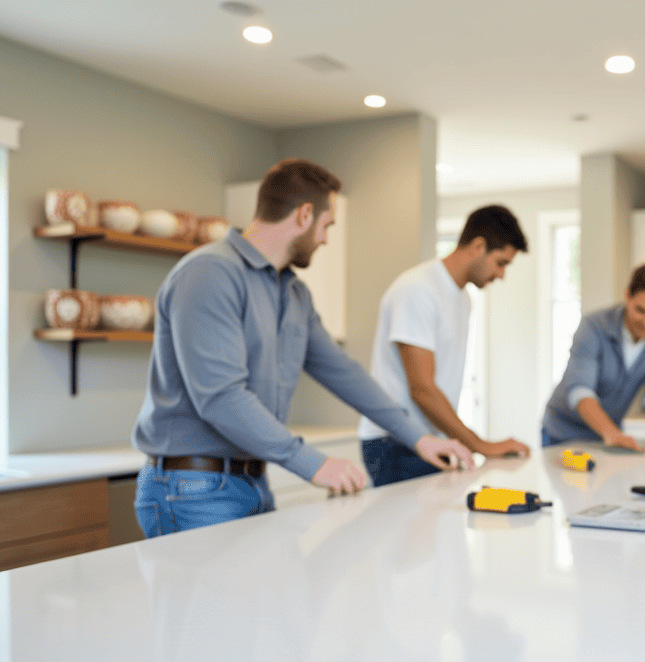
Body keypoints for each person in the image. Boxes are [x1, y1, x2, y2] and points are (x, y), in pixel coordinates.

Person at [132, 158, 473, 537]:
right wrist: (313, 463)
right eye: (327, 226)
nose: (326, 239)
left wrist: (418, 437)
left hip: (252, 482)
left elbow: (341, 372)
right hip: (192, 490)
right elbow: (221, 395)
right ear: (304, 215)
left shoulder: (293, 292)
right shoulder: (210, 274)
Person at [359, 205, 531, 486]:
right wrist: (481, 445)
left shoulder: (462, 299)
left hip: (431, 440)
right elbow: (422, 389)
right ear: (478, 246)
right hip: (395, 443)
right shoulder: (418, 290)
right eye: (501, 263)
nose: (501, 275)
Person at [541, 263, 645, 453]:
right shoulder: (594, 325)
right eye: (641, 310)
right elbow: (580, 389)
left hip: (609, 435)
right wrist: (611, 433)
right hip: (562, 433)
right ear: (627, 295)